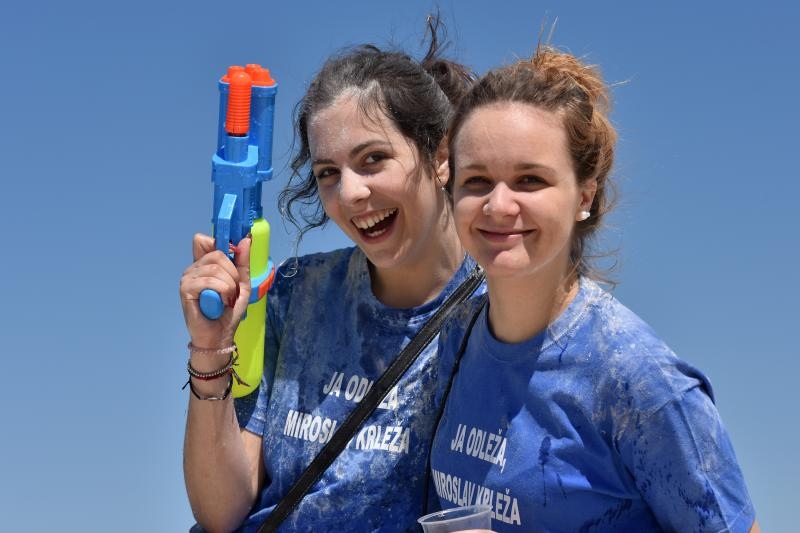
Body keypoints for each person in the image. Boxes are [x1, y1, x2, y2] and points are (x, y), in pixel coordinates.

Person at [428, 47, 760, 532]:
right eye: (477, 180)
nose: (498, 205)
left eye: (529, 180)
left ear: (585, 194)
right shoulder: (457, 337)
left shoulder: (639, 381)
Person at [180, 18, 483, 533]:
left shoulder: (495, 319)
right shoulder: (296, 292)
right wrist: (209, 348)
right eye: (328, 173)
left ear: (440, 156)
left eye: (373, 159)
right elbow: (219, 510)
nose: (350, 194)